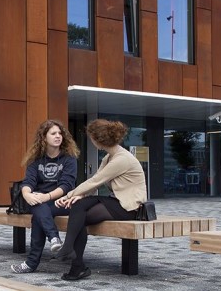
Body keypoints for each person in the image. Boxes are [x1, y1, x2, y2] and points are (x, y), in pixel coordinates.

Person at [53, 119, 147, 281]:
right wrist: (79, 195)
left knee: (78, 215)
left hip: (130, 208)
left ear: (99, 139)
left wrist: (68, 196)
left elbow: (95, 181)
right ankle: (75, 263)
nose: (91, 140)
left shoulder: (121, 159)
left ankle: (73, 259)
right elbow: (95, 180)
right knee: (79, 208)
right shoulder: (110, 157)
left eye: (91, 137)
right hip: (117, 202)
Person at [10, 119, 79, 274]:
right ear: (44, 137)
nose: (58, 136)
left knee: (38, 212)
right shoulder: (36, 159)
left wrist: (45, 197)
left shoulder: (69, 158)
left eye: (60, 133)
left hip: (62, 201)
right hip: (40, 201)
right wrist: (27, 194)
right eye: (53, 133)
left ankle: (31, 263)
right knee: (39, 209)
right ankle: (54, 239)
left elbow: (66, 185)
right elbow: (29, 181)